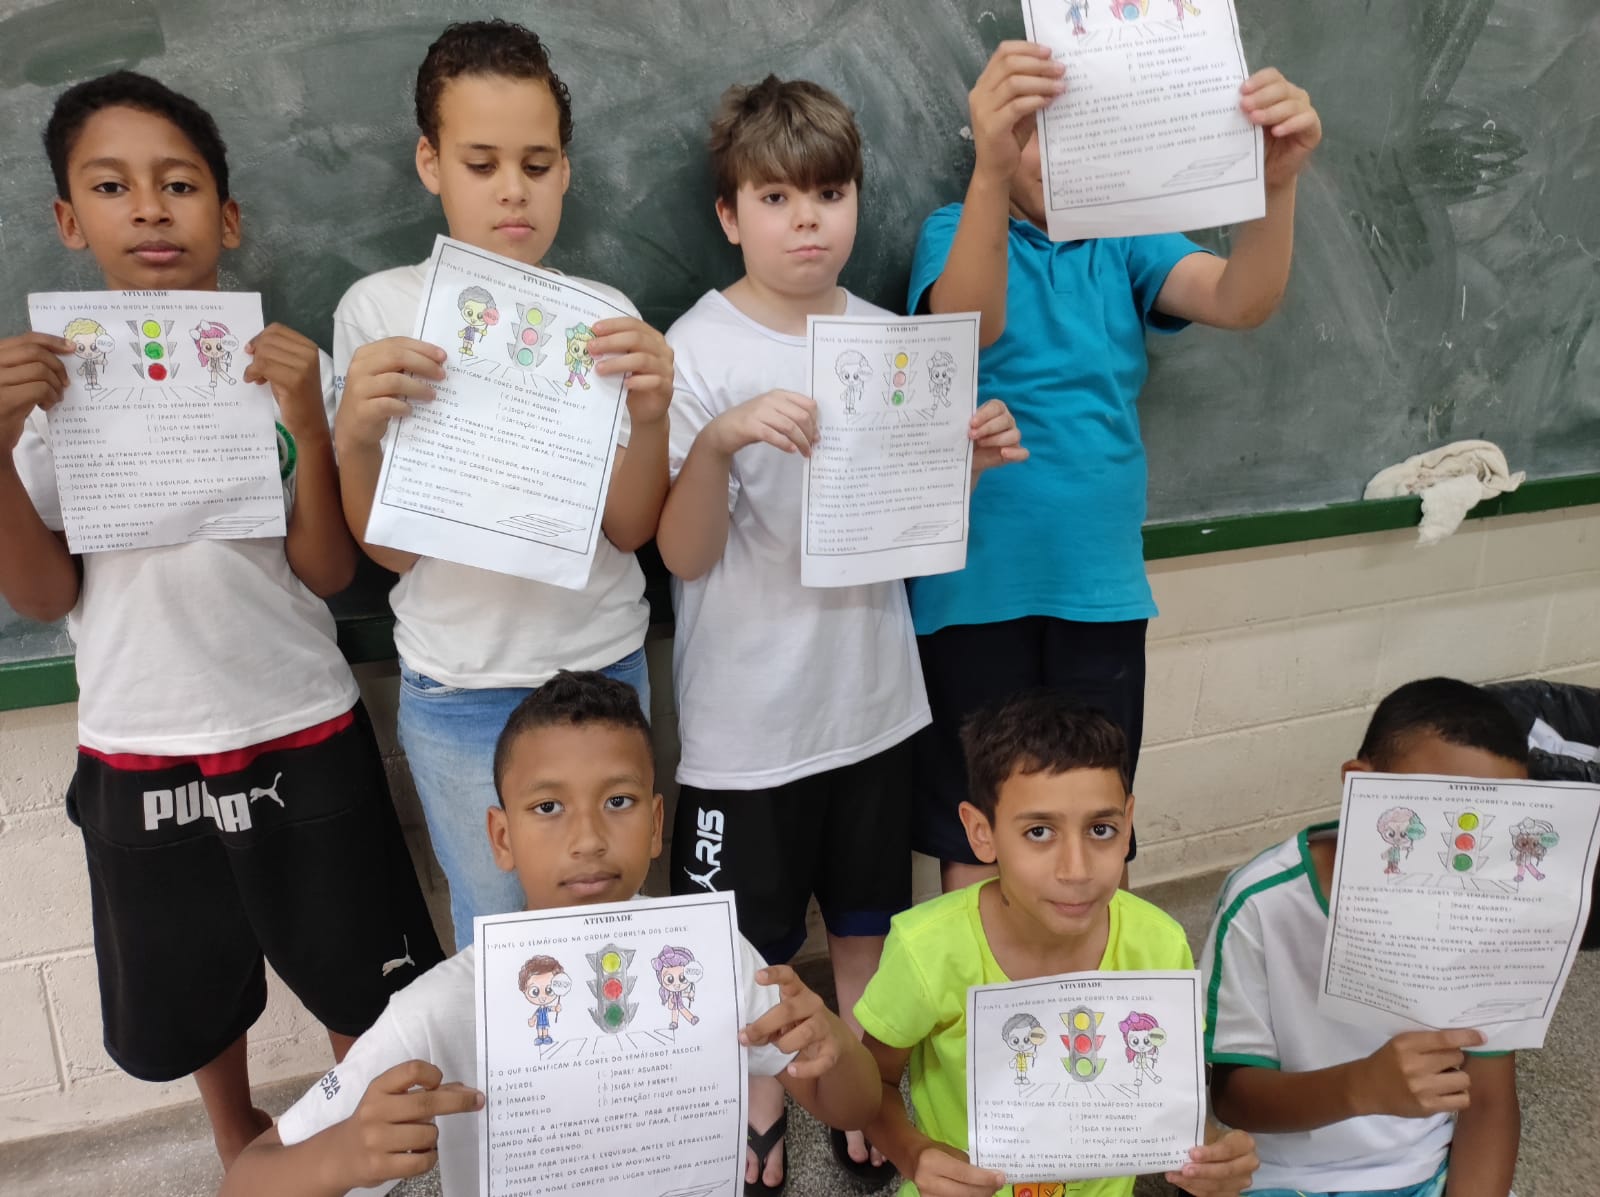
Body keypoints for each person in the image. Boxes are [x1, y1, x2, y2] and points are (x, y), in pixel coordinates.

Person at [0, 71, 441, 1168]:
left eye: (180, 184)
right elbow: (44, 595)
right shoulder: (49, 396)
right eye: (112, 186)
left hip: (299, 718)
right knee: (190, 979)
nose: (150, 208)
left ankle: (356, 1146)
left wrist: (308, 421)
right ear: (68, 220)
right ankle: (237, 1139)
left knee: (357, 964)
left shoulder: (282, 374)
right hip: (139, 735)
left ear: (228, 216)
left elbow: (327, 569)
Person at [655, 74, 1025, 1193]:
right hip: (745, 726)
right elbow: (681, 555)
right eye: (776, 198)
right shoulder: (695, 347)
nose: (807, 220)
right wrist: (718, 442)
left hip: (869, 704)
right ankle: (764, 1102)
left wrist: (964, 463)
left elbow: (913, 539)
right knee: (753, 948)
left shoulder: (891, 343)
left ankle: (858, 1093)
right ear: (730, 216)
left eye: (829, 193)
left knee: (868, 927)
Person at [908, 41, 1322, 894]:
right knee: (979, 828)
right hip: (973, 588)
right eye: (1031, 132)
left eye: (1078, 130)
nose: (1053, 154)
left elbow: (1240, 298)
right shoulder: (955, 230)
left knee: (1097, 819)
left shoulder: (1124, 241)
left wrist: (1276, 186)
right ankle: (977, 985)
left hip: (1100, 591)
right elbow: (966, 329)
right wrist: (990, 172)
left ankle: (1094, 979)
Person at [222, 671, 883, 1196]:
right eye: (548, 806)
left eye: (618, 801)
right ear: (501, 837)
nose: (588, 838)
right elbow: (248, 1179)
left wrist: (832, 1042)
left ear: (657, 825)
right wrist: (340, 1155)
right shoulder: (440, 1010)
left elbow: (854, 1105)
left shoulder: (713, 961)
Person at [331, 20, 676, 948]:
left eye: (536, 163)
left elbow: (630, 527)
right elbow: (389, 551)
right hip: (460, 684)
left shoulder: (605, 318)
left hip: (600, 667)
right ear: (430, 162)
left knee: (614, 923)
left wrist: (651, 416)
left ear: (566, 171)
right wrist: (354, 436)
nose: (512, 189)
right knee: (498, 937)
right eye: (480, 163)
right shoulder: (379, 311)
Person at [856, 691, 1259, 1196]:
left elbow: (1169, 1095)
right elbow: (871, 1084)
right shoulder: (928, 950)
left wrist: (1212, 1155)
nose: (1077, 870)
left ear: (1128, 824)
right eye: (1039, 832)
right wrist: (913, 1153)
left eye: (1101, 829)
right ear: (982, 832)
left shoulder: (1158, 946)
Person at [1202, 678, 1524, 1196]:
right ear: (1359, 785)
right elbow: (1233, 1097)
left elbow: (1489, 1101)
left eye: (1490, 826)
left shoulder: (1493, 914)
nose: (1459, 850)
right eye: (1433, 811)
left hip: (1420, 1173)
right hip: (1280, 1177)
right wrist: (1362, 1087)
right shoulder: (1262, 903)